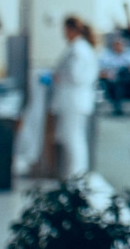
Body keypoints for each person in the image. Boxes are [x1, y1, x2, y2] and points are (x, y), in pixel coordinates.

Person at [50, 16, 99, 178]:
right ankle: (74, 175)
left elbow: (75, 75)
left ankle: (76, 175)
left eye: (65, 30)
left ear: (72, 30)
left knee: (73, 139)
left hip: (74, 100)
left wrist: (58, 77)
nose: (64, 34)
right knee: (72, 138)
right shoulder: (81, 48)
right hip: (75, 100)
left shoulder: (78, 50)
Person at [98, 37, 130, 117]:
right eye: (116, 44)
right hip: (111, 80)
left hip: (128, 79)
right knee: (117, 83)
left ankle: (118, 106)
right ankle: (117, 107)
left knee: (122, 75)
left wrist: (129, 69)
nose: (118, 47)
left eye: (120, 44)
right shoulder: (106, 55)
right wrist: (108, 75)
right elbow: (100, 71)